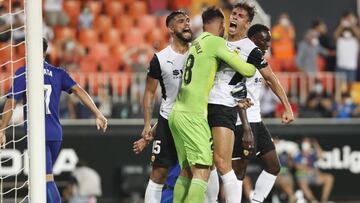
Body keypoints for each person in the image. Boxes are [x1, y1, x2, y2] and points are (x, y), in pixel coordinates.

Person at [0, 38, 107, 203]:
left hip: (38, 133)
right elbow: (79, 91)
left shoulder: (24, 72)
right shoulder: (59, 73)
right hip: (56, 133)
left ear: (29, 50)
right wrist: (98, 114)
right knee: (40, 179)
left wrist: (2, 128)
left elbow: (11, 102)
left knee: (45, 178)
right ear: (45, 52)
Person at [168, 6, 256, 203]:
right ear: (221, 24)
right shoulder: (216, 42)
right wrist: (256, 59)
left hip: (177, 113)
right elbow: (247, 70)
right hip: (193, 114)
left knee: (186, 171)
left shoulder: (195, 42)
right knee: (202, 172)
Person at [206, 3, 259, 203]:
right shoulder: (219, 42)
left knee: (222, 163)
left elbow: (268, 78)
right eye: (233, 13)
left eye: (240, 15)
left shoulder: (251, 49)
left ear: (247, 23)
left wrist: (287, 106)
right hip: (204, 106)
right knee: (206, 163)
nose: (234, 17)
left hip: (224, 107)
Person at [140, 10, 193, 203]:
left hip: (195, 120)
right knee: (159, 174)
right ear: (170, 28)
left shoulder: (200, 52)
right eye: (181, 21)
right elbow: (148, 93)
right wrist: (147, 124)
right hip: (168, 120)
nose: (187, 24)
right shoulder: (160, 58)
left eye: (188, 20)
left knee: (203, 170)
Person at [294, 137, 334, 202]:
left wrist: (315, 144)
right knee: (302, 181)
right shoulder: (298, 153)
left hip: (314, 176)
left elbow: (321, 155)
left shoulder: (312, 153)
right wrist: (309, 169)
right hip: (303, 176)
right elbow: (297, 167)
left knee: (329, 178)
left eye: (308, 142)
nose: (306, 144)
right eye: (305, 142)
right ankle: (313, 200)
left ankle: (324, 200)